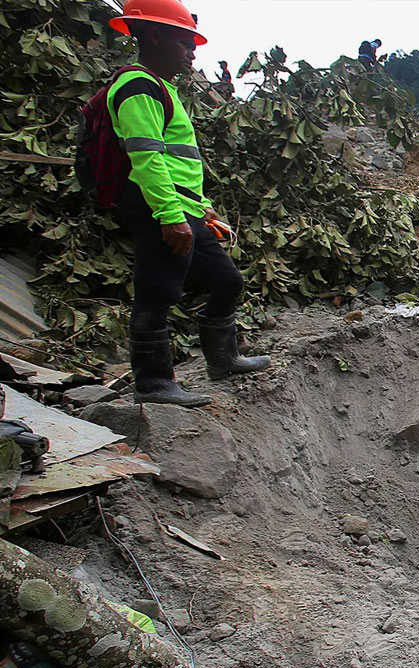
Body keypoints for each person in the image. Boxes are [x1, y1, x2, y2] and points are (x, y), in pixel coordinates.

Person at [106, 0, 270, 408]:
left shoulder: (162, 89)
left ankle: (223, 358)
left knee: (226, 279)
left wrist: (201, 205)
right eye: (184, 41)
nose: (192, 51)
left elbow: (174, 159)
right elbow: (146, 155)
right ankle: (154, 382)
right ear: (155, 35)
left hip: (184, 206)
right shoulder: (136, 86)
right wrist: (169, 214)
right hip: (158, 207)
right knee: (157, 290)